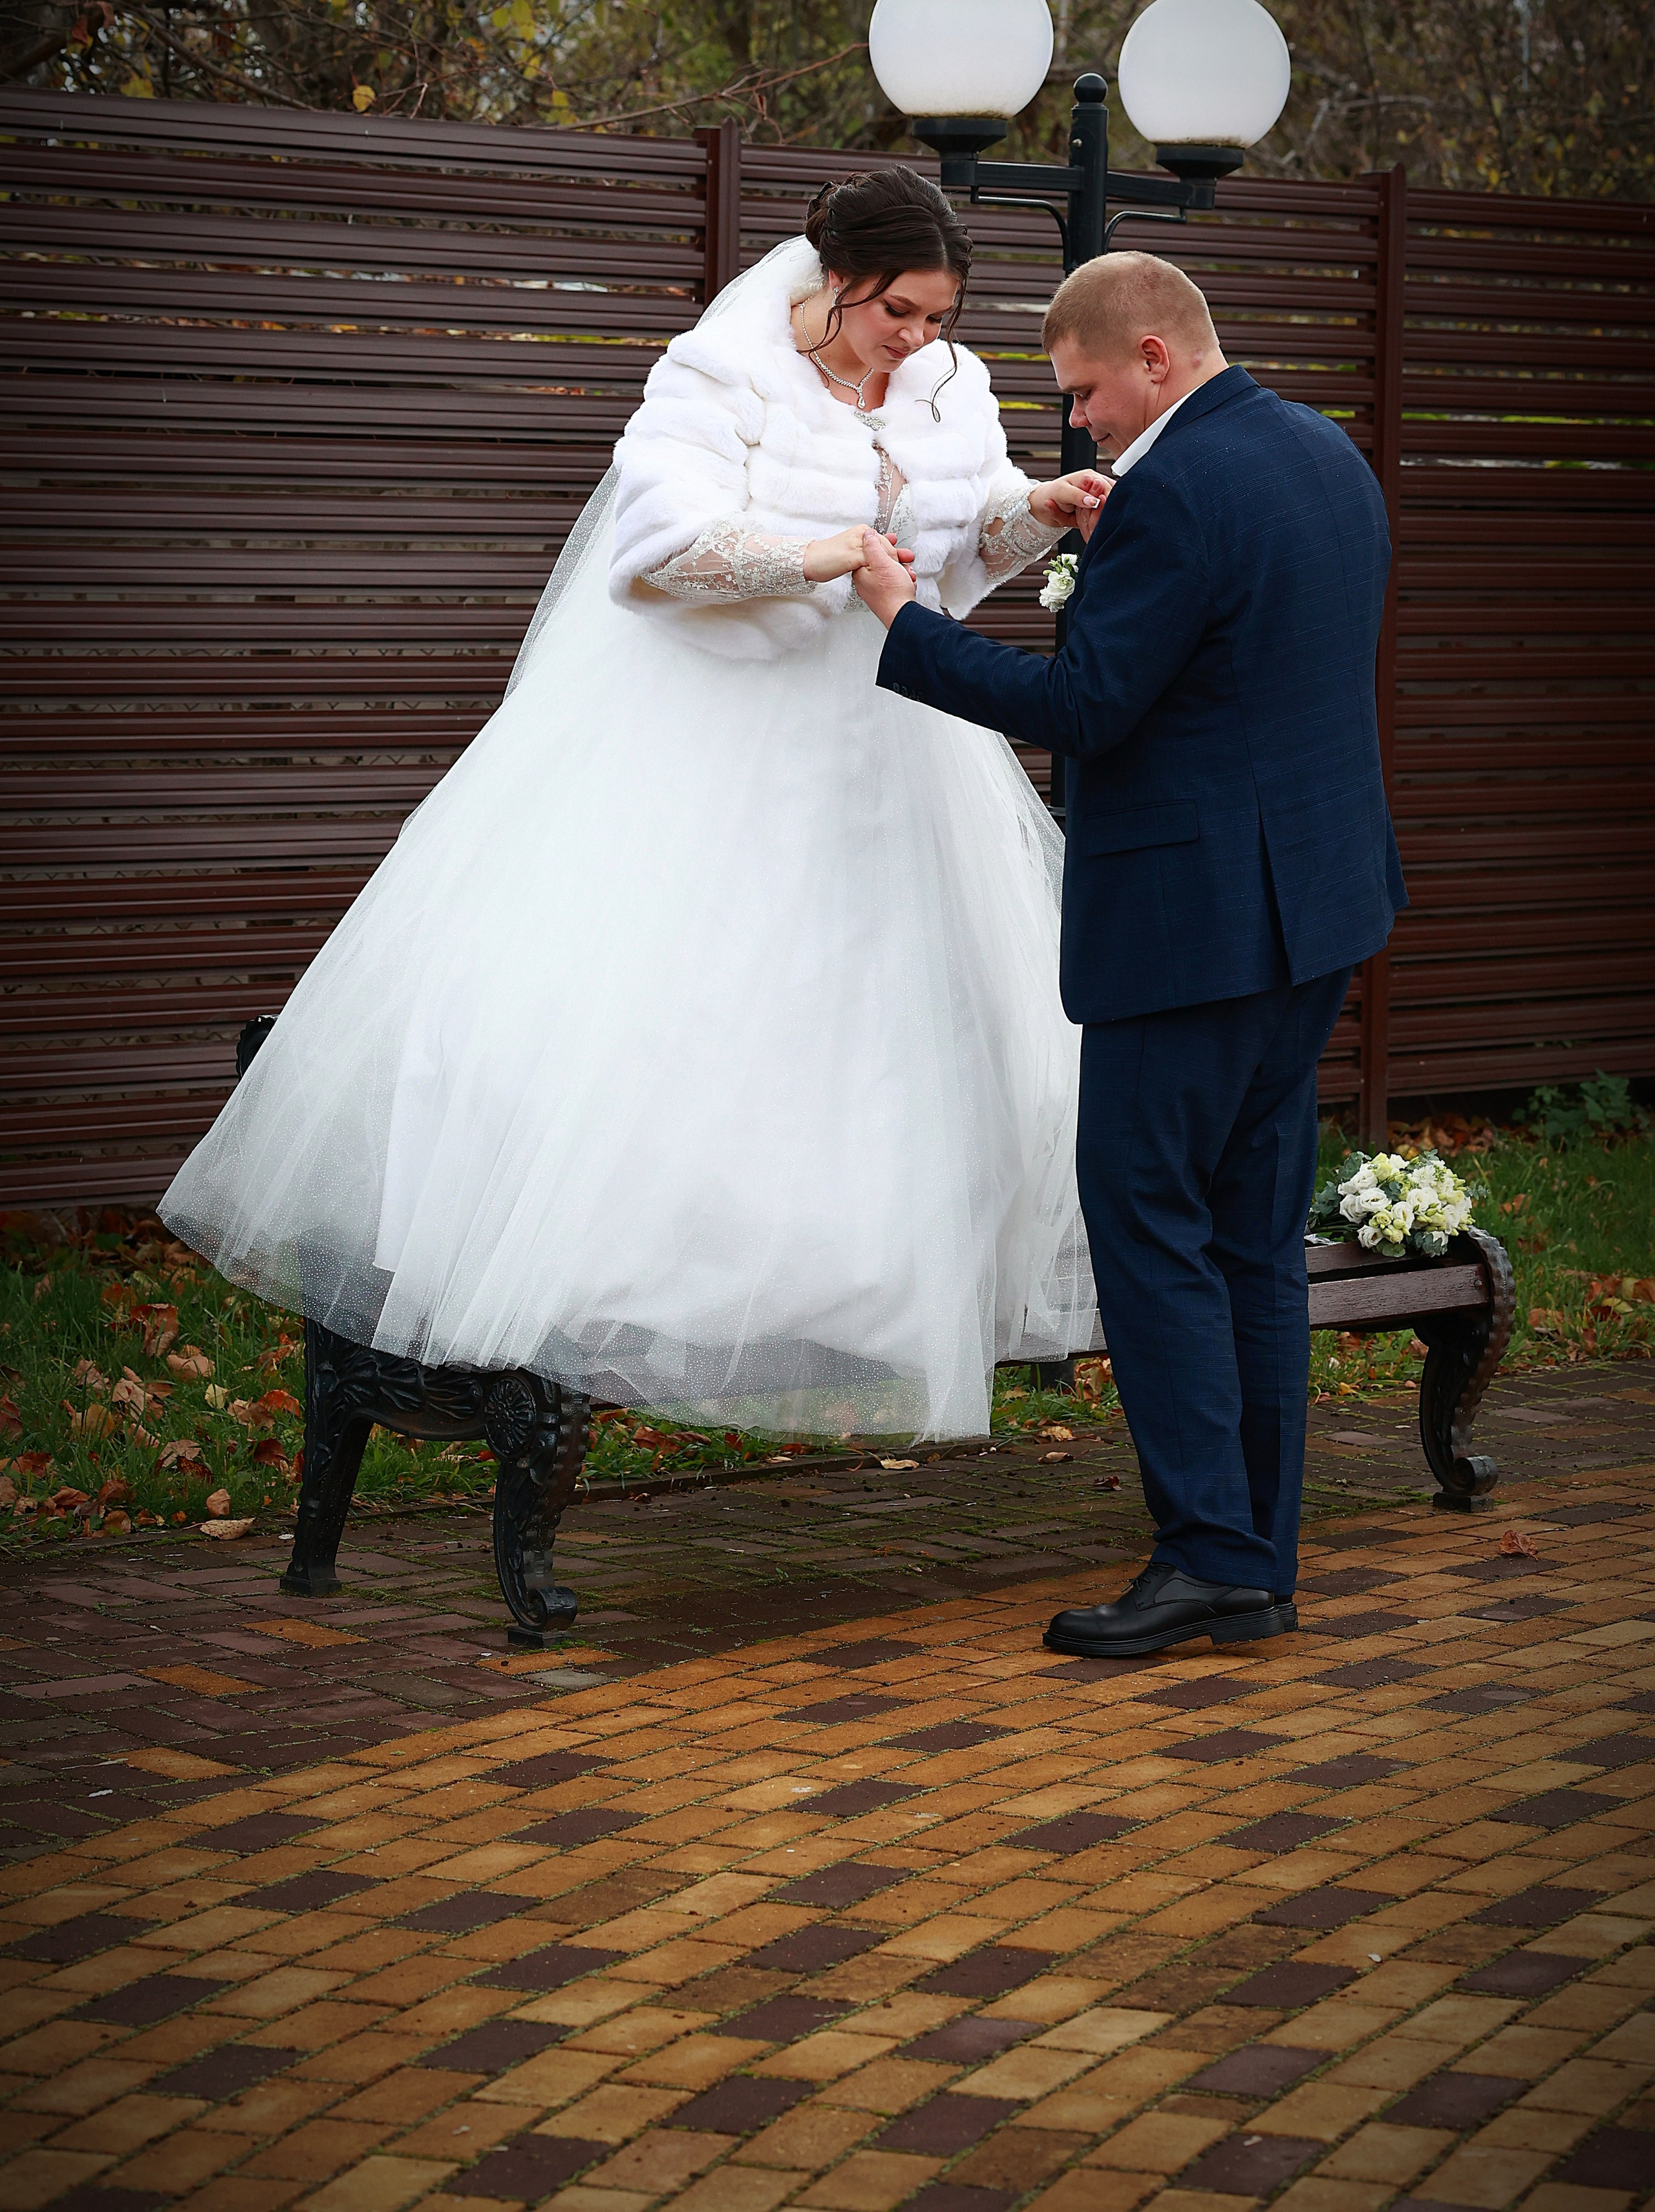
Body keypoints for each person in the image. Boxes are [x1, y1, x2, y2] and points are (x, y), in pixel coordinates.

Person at [160, 165, 1111, 1444]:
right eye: (900, 313)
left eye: (939, 317)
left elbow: (956, 550)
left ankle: (857, 1277)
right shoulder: (716, 377)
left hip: (893, 734)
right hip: (718, 728)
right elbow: (657, 561)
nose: (921, 341)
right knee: (678, 1008)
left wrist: (1031, 514)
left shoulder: (945, 386)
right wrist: (827, 553)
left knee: (891, 1023)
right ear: (836, 281)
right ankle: (624, 1299)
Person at [855, 250, 1406, 1654]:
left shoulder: (1175, 494)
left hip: (1188, 932)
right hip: (1313, 916)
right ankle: (1253, 1560)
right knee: (1248, 1244)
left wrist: (905, 626)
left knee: (1150, 1231)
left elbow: (1088, 708)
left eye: (1087, 391)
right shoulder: (1323, 459)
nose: (1079, 421)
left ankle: (1207, 1555)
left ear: (1153, 356)